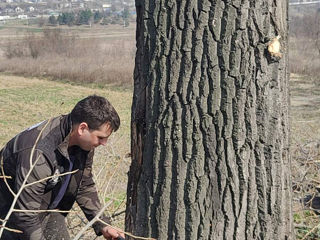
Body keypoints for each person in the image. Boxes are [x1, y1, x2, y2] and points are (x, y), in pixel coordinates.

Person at [0, 95, 125, 240]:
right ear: (82, 128)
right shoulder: (39, 153)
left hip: (47, 209)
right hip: (10, 215)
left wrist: (102, 223)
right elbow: (25, 215)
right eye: (101, 137)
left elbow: (84, 184)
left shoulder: (84, 143)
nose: (104, 143)